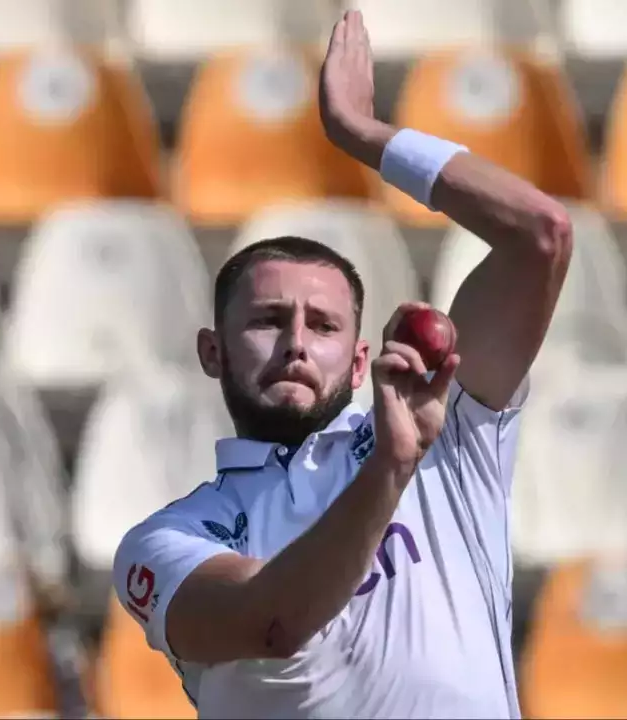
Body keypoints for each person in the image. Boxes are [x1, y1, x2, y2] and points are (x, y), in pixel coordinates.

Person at [113, 10, 572, 718]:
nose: (297, 342)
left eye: (324, 325)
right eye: (268, 320)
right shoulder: (170, 539)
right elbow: (273, 622)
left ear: (360, 361)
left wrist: (364, 134)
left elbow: (539, 237)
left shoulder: (446, 431)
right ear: (213, 351)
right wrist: (390, 464)